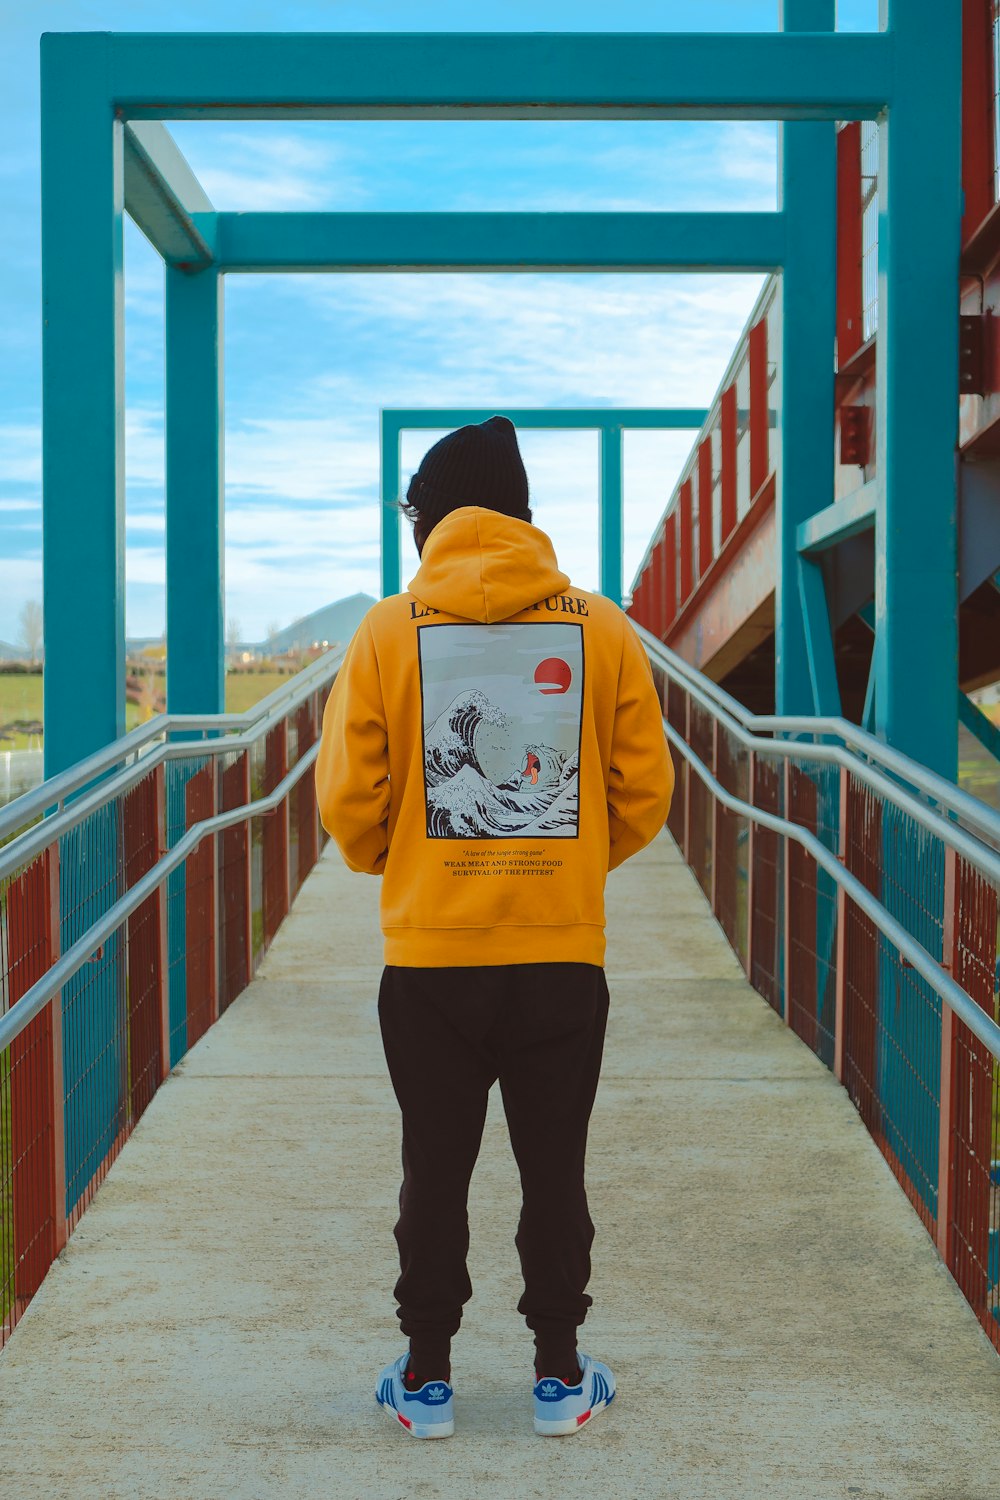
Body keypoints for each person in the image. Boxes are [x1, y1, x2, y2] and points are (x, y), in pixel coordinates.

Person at [315, 415, 674, 1439]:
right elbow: (642, 794)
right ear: (521, 515)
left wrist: (408, 862)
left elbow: (348, 802)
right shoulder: (600, 627)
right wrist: (562, 867)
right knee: (555, 1166)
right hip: (562, 954)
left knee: (434, 1164)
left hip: (430, 956)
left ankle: (426, 1381)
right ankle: (559, 1378)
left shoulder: (388, 629)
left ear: (431, 516)